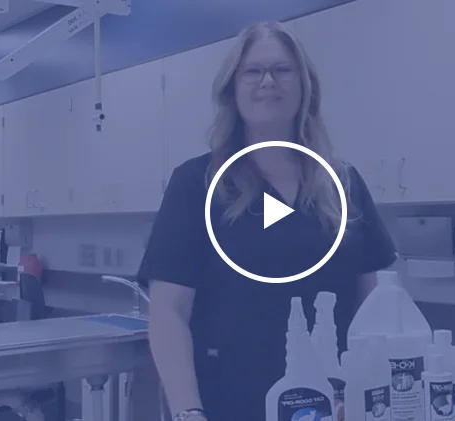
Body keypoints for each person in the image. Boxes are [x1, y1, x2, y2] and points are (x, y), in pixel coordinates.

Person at [138, 20, 398, 421]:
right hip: (231, 404)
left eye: (282, 70)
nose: (268, 82)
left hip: (337, 406)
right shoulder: (197, 183)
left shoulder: (342, 184)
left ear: (304, 86)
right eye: (253, 71)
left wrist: (375, 392)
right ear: (232, 89)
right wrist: (188, 411)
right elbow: (168, 313)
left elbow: (374, 306)